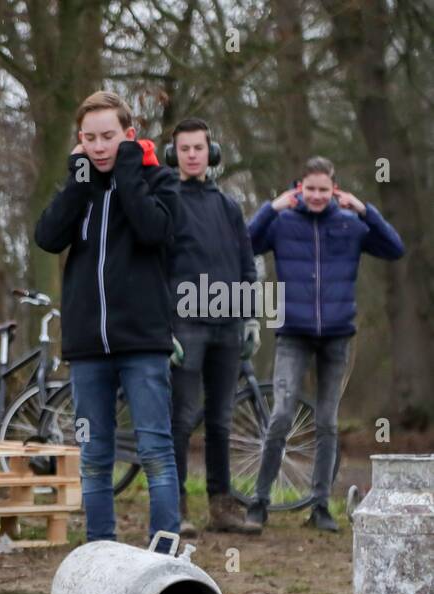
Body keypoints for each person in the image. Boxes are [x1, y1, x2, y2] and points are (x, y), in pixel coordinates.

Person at [34, 90, 181, 544]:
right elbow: (47, 237)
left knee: (156, 450)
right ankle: (100, 551)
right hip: (87, 348)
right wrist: (78, 182)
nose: (99, 147)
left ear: (129, 136)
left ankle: (164, 553)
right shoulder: (80, 188)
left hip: (143, 343)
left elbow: (154, 229)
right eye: (90, 138)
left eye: (109, 137)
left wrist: (130, 172)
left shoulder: (160, 181)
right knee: (94, 455)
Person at [244, 156, 404, 531]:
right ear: (299, 188)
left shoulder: (350, 224)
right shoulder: (282, 223)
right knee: (281, 414)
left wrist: (366, 209)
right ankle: (259, 502)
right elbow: (245, 242)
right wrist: (271, 206)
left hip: (337, 335)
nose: (317, 196)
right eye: (309, 189)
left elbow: (394, 248)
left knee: (327, 422)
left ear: (335, 188)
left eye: (324, 189)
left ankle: (319, 506)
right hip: (293, 334)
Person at [165, 118, 261, 536]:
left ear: (211, 152)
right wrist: (163, 325)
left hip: (228, 323)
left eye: (198, 147)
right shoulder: (166, 202)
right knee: (182, 419)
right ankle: (176, 509)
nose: (191, 154)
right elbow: (158, 268)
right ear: (174, 155)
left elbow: (245, 263)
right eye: (183, 148)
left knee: (221, 420)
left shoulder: (228, 206)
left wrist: (251, 316)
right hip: (185, 324)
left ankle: (222, 508)